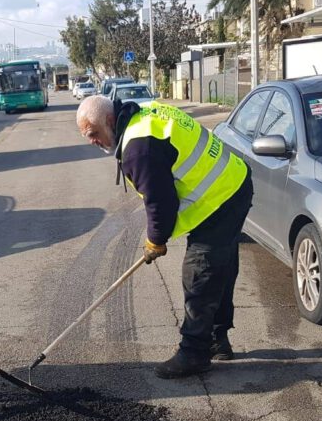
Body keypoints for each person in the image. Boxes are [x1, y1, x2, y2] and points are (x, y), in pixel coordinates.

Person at [76, 95, 253, 379]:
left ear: (110, 121)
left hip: (222, 198)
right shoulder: (144, 113)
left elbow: (160, 203)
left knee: (200, 273)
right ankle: (218, 339)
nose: (92, 141)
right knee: (221, 267)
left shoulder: (138, 147)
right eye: (88, 136)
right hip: (233, 184)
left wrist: (155, 241)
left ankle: (195, 352)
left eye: (94, 133)